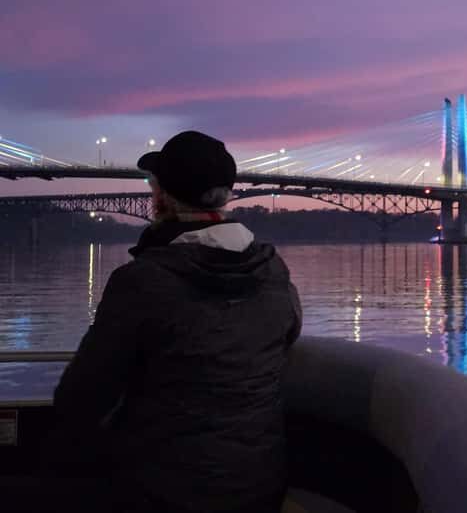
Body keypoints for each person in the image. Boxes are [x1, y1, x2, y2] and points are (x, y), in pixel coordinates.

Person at [52, 130, 303, 512]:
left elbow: (79, 399)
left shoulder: (142, 282)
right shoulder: (275, 273)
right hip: (259, 490)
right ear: (227, 195)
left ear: (162, 197)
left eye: (155, 184)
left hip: (161, 494)